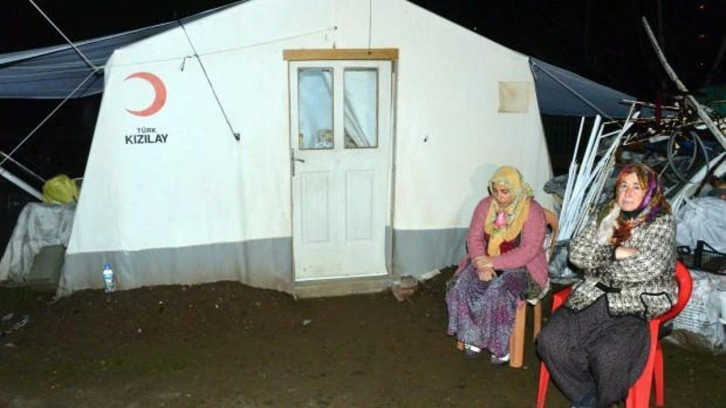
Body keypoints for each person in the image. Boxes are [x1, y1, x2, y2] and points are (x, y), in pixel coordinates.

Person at [536, 163, 677, 408]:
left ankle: (600, 399)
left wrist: (598, 261)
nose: (627, 193)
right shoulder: (606, 215)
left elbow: (645, 266)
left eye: (637, 187)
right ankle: (590, 398)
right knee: (549, 340)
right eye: (623, 186)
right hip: (593, 295)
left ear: (650, 193)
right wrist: (616, 253)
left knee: (608, 354)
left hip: (636, 302)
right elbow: (577, 254)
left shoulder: (661, 222)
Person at [446, 166, 548, 365]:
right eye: (495, 191)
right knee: (463, 286)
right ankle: (473, 336)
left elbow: (528, 250)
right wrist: (481, 263)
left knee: (498, 292)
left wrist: (494, 262)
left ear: (516, 189)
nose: (499, 196)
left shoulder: (532, 211)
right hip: (485, 260)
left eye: (505, 191)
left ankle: (499, 347)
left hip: (523, 267)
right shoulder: (485, 206)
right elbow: (474, 238)